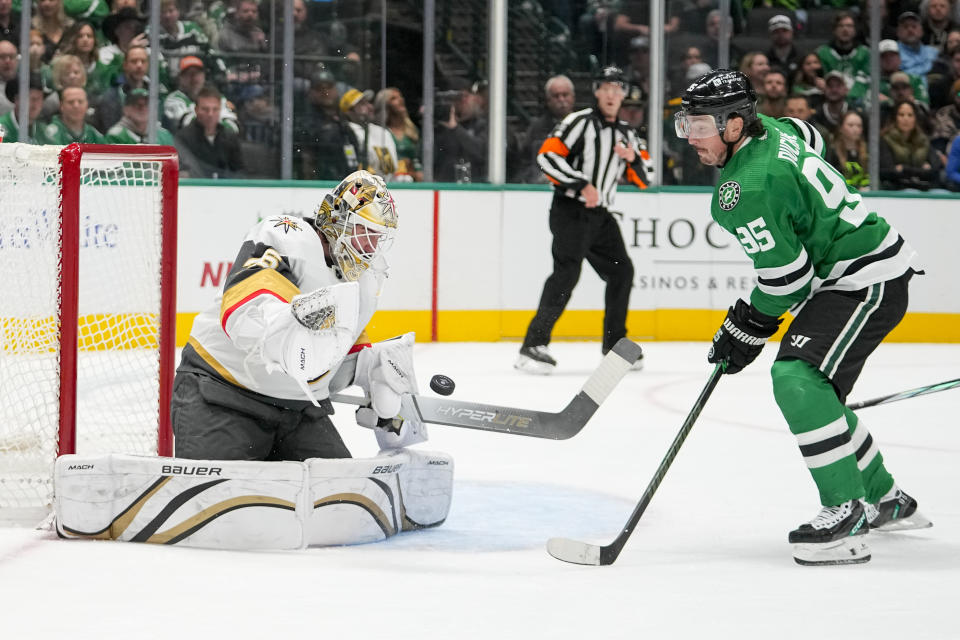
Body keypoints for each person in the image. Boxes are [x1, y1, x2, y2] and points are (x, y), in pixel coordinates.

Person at [676, 69, 929, 566]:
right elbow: (809, 136)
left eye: (701, 125)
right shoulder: (774, 128)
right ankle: (885, 499)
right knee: (819, 394)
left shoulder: (745, 189)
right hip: (857, 269)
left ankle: (847, 514)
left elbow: (789, 280)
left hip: (864, 279)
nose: (692, 138)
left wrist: (745, 326)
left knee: (796, 378)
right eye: (687, 125)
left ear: (733, 125)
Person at [171, 170, 412, 460]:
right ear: (338, 217)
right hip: (223, 392)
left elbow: (333, 350)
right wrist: (292, 328)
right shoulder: (285, 235)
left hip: (297, 408)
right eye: (365, 233)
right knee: (220, 500)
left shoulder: (363, 278)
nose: (370, 248)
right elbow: (246, 312)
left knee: (337, 497)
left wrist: (369, 369)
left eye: (378, 238)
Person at [517, 66, 653, 374]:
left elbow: (647, 176)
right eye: (606, 88)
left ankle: (614, 344)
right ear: (596, 91)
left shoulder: (627, 133)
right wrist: (581, 183)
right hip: (570, 209)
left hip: (599, 216)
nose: (611, 94)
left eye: (617, 89)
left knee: (622, 272)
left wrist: (632, 159)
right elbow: (546, 156)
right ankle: (532, 346)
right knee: (566, 274)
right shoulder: (578, 122)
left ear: (623, 95)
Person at [294, 66, 360, 180]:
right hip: (321, 184)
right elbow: (307, 162)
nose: (325, 92)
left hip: (348, 182)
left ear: (336, 89)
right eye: (319, 88)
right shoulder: (304, 122)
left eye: (329, 87)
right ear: (311, 93)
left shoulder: (345, 118)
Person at [514, 74, 575, 184]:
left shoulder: (584, 125)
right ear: (548, 100)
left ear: (573, 97)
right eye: (556, 96)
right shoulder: (536, 129)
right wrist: (537, 178)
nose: (561, 99)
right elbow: (525, 164)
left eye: (565, 95)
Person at [175, 84, 244, 178]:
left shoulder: (230, 137)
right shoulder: (183, 138)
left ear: (220, 110)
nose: (210, 114)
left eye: (215, 109)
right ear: (196, 110)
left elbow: (239, 172)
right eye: (205, 109)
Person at [879, 99, 944, 190]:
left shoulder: (923, 140)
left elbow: (935, 169)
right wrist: (922, 170)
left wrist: (903, 169)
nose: (906, 119)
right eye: (901, 115)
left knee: (941, 193)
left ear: (915, 118)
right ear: (895, 118)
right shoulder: (885, 140)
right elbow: (888, 171)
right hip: (897, 188)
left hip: (924, 187)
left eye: (910, 115)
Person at [164, 55, 237, 133]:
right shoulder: (173, 100)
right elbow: (189, 125)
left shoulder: (217, 97)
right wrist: (217, 124)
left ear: (204, 76)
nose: (194, 78)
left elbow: (233, 126)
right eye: (189, 74)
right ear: (180, 78)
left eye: (197, 73)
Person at [339, 87, 398, 181]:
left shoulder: (382, 131)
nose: (370, 107)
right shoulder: (346, 133)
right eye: (362, 104)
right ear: (349, 111)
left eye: (368, 102)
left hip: (390, 186)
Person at [373, 86, 422, 181]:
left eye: (400, 97)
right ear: (385, 105)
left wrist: (416, 172)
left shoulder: (412, 130)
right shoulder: (380, 132)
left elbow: (418, 159)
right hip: (388, 181)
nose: (400, 100)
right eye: (393, 98)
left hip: (411, 181)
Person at [104, 85, 176, 144]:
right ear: (125, 110)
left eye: (146, 104)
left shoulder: (164, 135)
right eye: (136, 104)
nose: (142, 108)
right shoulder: (115, 136)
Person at [35, 85, 105, 143]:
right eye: (70, 102)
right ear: (61, 106)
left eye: (80, 102)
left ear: (87, 105)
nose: (76, 106)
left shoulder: (94, 134)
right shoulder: (50, 134)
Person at [825, 110, 869, 191]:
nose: (855, 129)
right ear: (841, 128)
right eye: (850, 125)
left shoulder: (868, 150)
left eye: (859, 126)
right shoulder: (832, 151)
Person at [0, 73, 44, 143]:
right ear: (17, 99)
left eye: (39, 99)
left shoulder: (43, 131)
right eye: (31, 99)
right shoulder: (1, 127)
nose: (35, 104)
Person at [765, 14, 803, 79]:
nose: (781, 34)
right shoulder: (765, 59)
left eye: (785, 31)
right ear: (770, 35)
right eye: (776, 31)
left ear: (792, 32)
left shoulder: (802, 57)